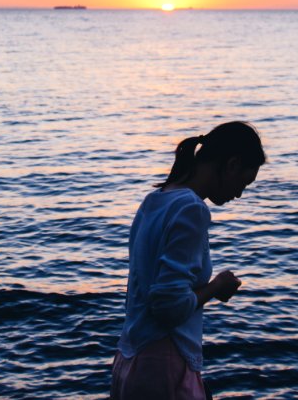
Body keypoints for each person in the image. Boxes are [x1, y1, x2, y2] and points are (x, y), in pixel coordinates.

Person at [111, 121, 266, 400]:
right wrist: (217, 287)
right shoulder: (191, 208)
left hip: (129, 360)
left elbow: (144, 291)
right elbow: (168, 306)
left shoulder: (154, 200)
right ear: (231, 165)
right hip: (163, 368)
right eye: (243, 182)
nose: (239, 194)